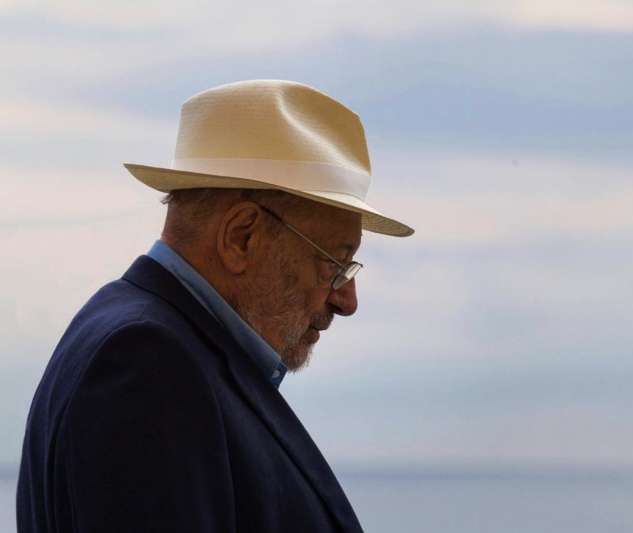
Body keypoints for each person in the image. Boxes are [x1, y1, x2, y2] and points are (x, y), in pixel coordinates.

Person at [16, 79, 414, 533]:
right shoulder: (148, 364)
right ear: (240, 236)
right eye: (334, 263)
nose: (347, 300)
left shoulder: (144, 341)